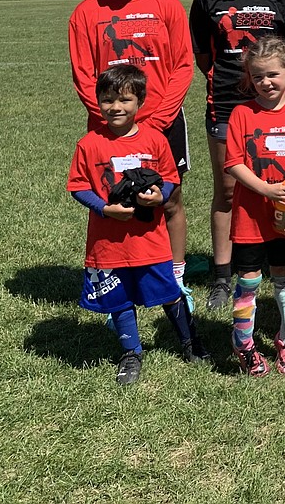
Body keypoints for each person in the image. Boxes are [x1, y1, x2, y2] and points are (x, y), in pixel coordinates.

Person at [68, 0, 194, 308]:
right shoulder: (87, 12)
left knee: (167, 200)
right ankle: (119, 280)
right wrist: (115, 123)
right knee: (117, 203)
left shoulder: (166, 5)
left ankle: (174, 279)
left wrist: (154, 123)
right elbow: (84, 76)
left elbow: (183, 65)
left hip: (161, 123)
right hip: (112, 129)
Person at [190, 0, 285, 311]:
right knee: (227, 190)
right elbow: (204, 57)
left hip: (275, 105)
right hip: (226, 105)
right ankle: (223, 276)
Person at [67, 64, 209, 385]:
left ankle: (190, 342)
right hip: (108, 243)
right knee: (118, 298)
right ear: (98, 102)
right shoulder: (89, 143)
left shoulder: (155, 140)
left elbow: (170, 179)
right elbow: (78, 186)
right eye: (107, 100)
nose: (115, 107)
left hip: (150, 240)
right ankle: (131, 353)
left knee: (169, 292)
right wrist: (104, 208)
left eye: (125, 100)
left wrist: (159, 196)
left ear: (139, 102)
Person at [224, 36, 285, 376]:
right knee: (248, 281)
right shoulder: (241, 113)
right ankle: (244, 344)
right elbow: (234, 163)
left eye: (272, 75)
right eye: (258, 76)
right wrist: (266, 189)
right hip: (250, 217)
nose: (266, 82)